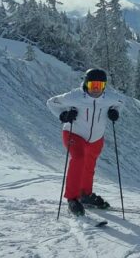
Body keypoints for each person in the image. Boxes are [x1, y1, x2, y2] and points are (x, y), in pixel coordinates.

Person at [47, 68, 123, 217]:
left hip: (96, 138)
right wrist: (63, 115)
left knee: (89, 165)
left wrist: (115, 111)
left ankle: (85, 194)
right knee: (79, 159)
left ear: (104, 86)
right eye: (93, 85)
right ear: (86, 84)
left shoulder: (110, 98)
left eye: (100, 86)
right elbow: (51, 102)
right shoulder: (74, 96)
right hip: (74, 133)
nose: (96, 90)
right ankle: (72, 198)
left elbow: (121, 102)